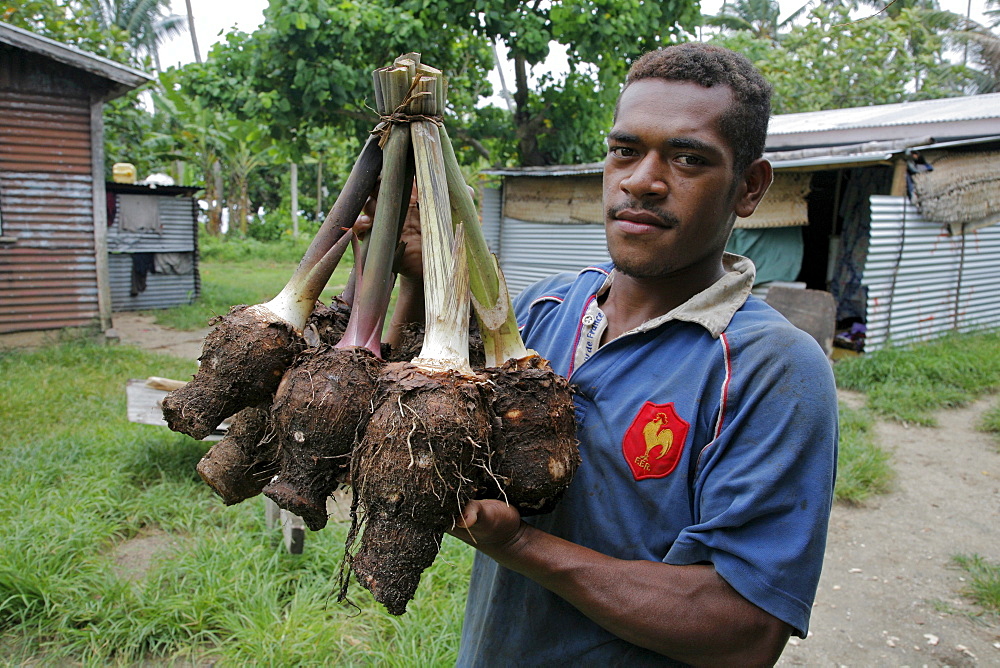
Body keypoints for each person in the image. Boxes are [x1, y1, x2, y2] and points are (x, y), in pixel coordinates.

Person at [368, 42, 838, 666]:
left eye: (688, 158)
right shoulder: (538, 313)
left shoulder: (772, 368)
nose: (642, 180)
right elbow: (405, 400)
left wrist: (521, 544)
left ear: (749, 188)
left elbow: (745, 629)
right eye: (625, 150)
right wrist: (417, 278)